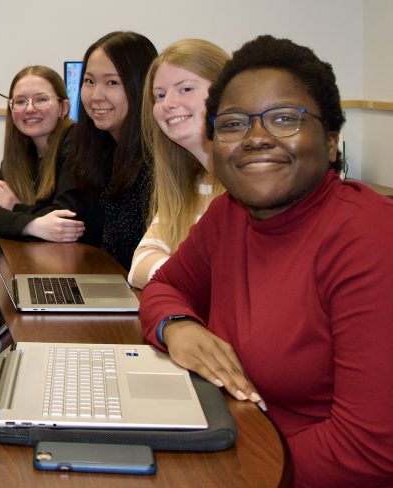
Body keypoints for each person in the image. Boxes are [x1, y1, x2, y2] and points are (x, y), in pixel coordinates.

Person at [139, 35, 393, 486]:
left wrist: (225, 475)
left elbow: (368, 451)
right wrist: (176, 326)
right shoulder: (228, 215)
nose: (256, 138)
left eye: (283, 119)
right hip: (233, 440)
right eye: (233, 124)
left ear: (331, 141)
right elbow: (164, 287)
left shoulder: (370, 237)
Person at [127, 39, 229, 288]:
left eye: (185, 89)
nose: (168, 103)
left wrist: (174, 274)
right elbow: (139, 265)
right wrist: (187, 275)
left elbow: (229, 281)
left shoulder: (256, 186)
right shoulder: (191, 185)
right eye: (159, 95)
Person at [0, 65, 99, 243]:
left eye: (41, 99)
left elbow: (66, 220)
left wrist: (15, 207)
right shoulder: (19, 151)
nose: (29, 108)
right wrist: (35, 225)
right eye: (20, 101)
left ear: (63, 108)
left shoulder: (77, 141)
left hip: (84, 256)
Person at [72, 31, 158, 268]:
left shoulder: (157, 162)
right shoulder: (100, 148)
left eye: (112, 82)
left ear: (141, 86)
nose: (96, 96)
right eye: (89, 81)